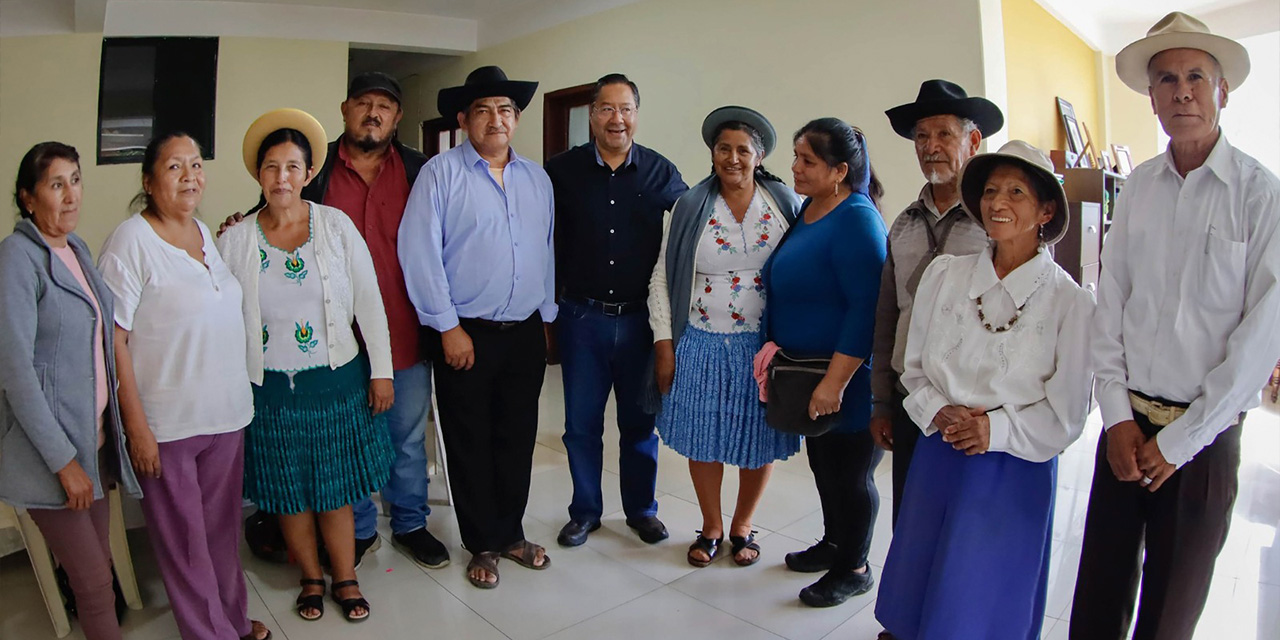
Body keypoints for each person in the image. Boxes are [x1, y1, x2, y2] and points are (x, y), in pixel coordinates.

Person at [1070, 12, 1280, 640]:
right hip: (1127, 429)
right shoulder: (1137, 188)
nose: (1181, 90)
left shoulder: (1260, 194)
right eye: (1166, 79)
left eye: (1195, 76)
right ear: (1152, 96)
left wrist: (1182, 440)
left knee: (1169, 611)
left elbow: (1262, 332)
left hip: (1205, 438)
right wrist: (1116, 417)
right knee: (1099, 595)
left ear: (1222, 91)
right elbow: (1112, 304)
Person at [221, 72, 446, 570]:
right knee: (344, 445)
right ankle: (359, 531)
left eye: (384, 105)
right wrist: (235, 230)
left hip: (400, 327)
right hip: (332, 342)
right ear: (344, 110)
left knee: (405, 437)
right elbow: (278, 214)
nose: (373, 112)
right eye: (363, 103)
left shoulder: (420, 170)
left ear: (397, 116)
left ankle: (409, 522)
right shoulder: (317, 172)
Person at [874, 140, 1094, 640]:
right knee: (924, 575)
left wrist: (990, 429)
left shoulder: (1069, 302)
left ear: (1045, 210)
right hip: (940, 447)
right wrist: (941, 411)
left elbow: (1068, 414)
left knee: (980, 596)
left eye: (1017, 192)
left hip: (1013, 466)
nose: (998, 203)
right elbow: (913, 366)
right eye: (992, 190)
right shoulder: (945, 275)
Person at [217, 109, 396, 622]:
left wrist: (380, 370)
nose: (282, 178)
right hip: (270, 390)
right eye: (272, 167)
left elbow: (369, 301)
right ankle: (311, 579)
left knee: (334, 489)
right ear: (259, 174)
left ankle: (346, 578)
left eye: (293, 167)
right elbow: (218, 308)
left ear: (308, 172)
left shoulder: (335, 227)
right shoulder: (236, 240)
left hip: (335, 382)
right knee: (290, 492)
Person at [97, 132, 271, 640]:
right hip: (168, 425)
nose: (190, 175)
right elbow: (113, 341)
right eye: (175, 167)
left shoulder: (203, 234)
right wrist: (137, 428)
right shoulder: (131, 241)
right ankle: (208, 634)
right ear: (149, 181)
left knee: (219, 536)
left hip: (226, 415)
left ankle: (233, 623)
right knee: (186, 545)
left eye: (196, 164)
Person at [399, 65, 556, 589]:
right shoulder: (440, 174)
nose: (497, 119)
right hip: (467, 332)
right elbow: (418, 254)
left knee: (517, 436)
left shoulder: (537, 179)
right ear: (464, 119)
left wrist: (548, 316)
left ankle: (510, 532)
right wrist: (447, 327)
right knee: (470, 440)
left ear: (516, 119)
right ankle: (481, 543)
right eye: (484, 110)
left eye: (506, 110)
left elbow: (546, 249)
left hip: (526, 331)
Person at [0, 142, 144, 640]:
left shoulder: (75, 249)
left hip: (93, 445)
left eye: (75, 180)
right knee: (92, 583)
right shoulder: (18, 259)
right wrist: (64, 464)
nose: (70, 195)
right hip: (53, 460)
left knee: (97, 570)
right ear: (28, 197)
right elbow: (15, 371)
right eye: (55, 184)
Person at [646, 106, 801, 568]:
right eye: (723, 149)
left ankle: (743, 526)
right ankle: (712, 525)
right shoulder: (690, 205)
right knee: (704, 436)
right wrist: (663, 342)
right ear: (712, 154)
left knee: (758, 438)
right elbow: (660, 277)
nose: (732, 158)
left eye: (742, 150)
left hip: (763, 346)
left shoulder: (784, 203)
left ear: (760, 155)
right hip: (701, 340)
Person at [544, 73, 687, 548]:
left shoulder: (661, 173)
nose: (616, 119)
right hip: (580, 318)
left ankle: (641, 510)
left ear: (637, 115)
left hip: (640, 321)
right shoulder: (560, 172)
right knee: (581, 425)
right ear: (592, 114)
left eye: (625, 109)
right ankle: (585, 511)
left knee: (639, 423)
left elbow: (691, 230)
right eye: (607, 109)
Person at [868, 80, 1001, 532]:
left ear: (973, 141)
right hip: (912, 402)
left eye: (944, 134)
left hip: (975, 410)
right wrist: (882, 399)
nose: (931, 147)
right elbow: (889, 315)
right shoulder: (902, 224)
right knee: (911, 521)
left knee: (967, 529)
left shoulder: (997, 221)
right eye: (922, 137)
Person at [766, 118, 888, 607]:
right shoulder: (811, 208)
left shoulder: (857, 217)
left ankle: (854, 566)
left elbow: (867, 306)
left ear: (839, 171)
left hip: (846, 378)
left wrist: (835, 382)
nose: (795, 167)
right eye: (796, 157)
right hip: (806, 371)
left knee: (852, 475)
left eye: (807, 161)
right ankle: (834, 542)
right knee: (825, 465)